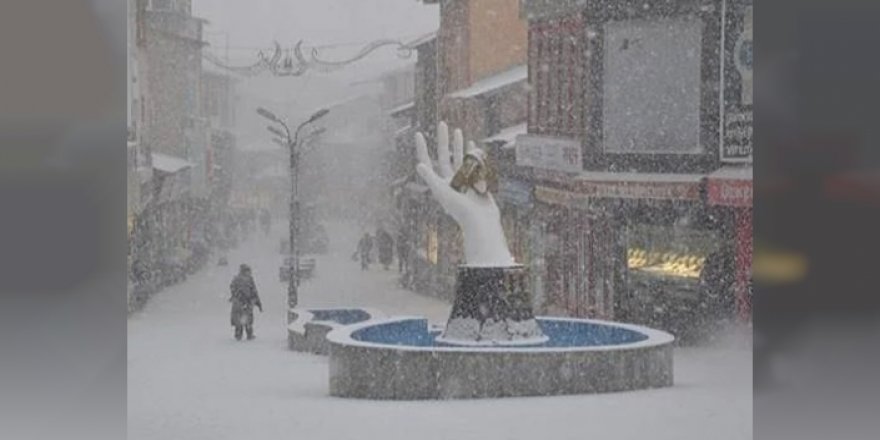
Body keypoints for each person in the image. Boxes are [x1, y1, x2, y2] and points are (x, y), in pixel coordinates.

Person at [229, 264, 262, 340]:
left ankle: (238, 334)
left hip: (239, 302)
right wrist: (258, 303)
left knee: (238, 319)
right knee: (248, 319)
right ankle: (249, 334)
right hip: (247, 302)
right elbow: (254, 291)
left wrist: (235, 296)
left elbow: (232, 288)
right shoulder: (249, 279)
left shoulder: (236, 279)